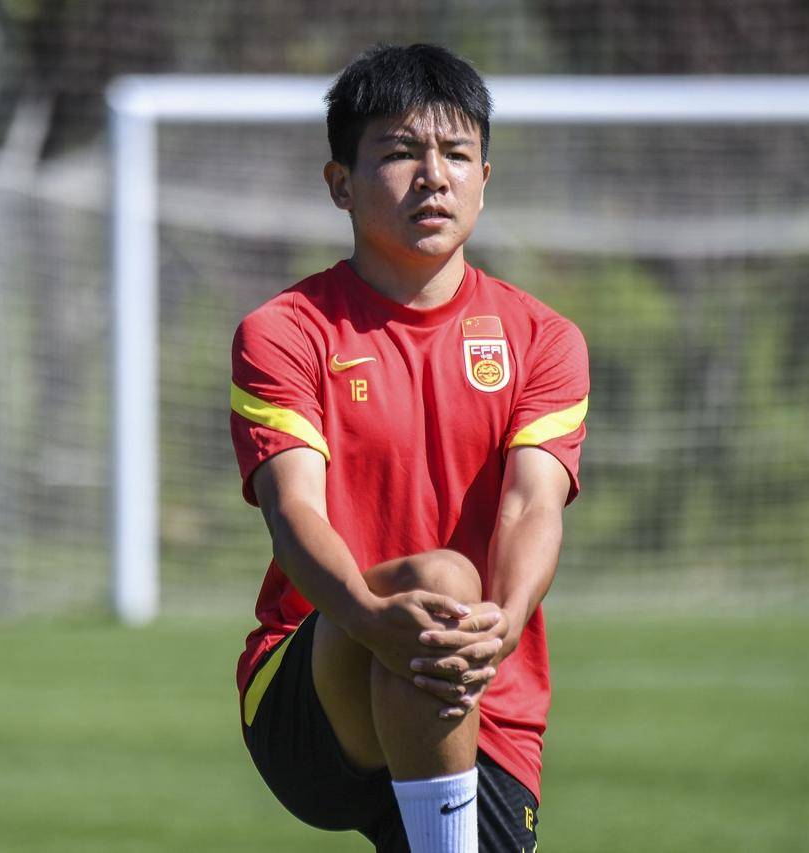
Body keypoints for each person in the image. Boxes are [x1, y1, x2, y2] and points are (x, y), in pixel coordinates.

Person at [230, 43, 588, 853]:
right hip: (317, 675)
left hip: (479, 679)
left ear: (484, 179)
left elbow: (533, 506)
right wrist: (369, 616)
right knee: (442, 583)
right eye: (400, 152)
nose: (434, 176)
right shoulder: (284, 333)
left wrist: (505, 626)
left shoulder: (544, 339)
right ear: (340, 184)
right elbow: (294, 511)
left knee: (451, 603)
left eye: (457, 154)